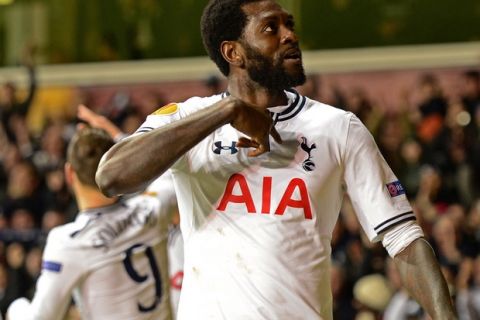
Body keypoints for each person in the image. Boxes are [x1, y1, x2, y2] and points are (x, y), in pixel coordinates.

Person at [96, 0, 456, 319]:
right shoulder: (185, 120)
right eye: (271, 28)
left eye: (290, 25)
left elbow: (404, 240)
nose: (289, 36)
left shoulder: (337, 127)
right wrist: (226, 112)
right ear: (233, 53)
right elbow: (112, 176)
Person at [7, 127, 176, 320]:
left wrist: (15, 307)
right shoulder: (153, 206)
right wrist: (120, 139)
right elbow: (171, 167)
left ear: (69, 173)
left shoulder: (68, 242)